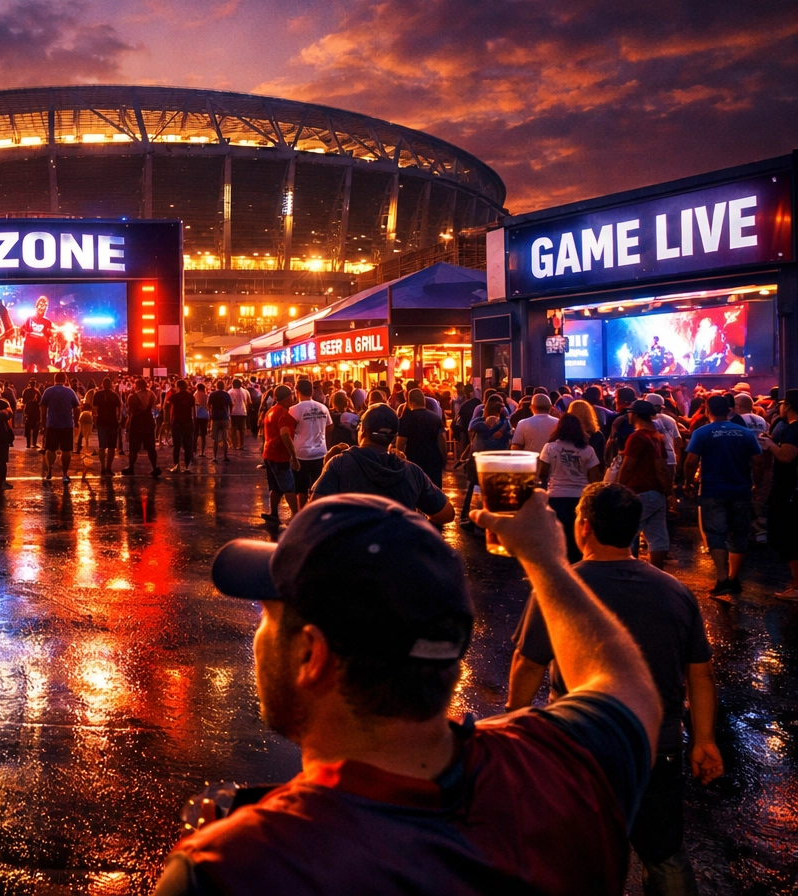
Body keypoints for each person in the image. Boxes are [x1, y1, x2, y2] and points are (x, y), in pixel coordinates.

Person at [157, 490, 661, 895]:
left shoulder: (233, 869)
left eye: (268, 615)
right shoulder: (565, 764)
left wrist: (543, 563)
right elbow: (627, 683)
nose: (260, 635)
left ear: (312, 655)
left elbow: (626, 688)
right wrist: (548, 563)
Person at [507, 482, 721, 895]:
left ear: (583, 527)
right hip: (658, 745)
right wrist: (705, 739)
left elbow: (529, 664)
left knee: (579, 856)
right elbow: (701, 673)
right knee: (664, 854)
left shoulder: (559, 585)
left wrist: (513, 722)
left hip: (580, 747)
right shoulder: (675, 591)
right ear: (635, 529)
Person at [310, 404, 453, 524]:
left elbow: (312, 515)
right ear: (393, 437)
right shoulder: (411, 470)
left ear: (363, 431)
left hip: (353, 553)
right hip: (398, 553)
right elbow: (446, 514)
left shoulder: (340, 463)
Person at [684, 393, 763, 598]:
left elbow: (691, 462)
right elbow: (758, 461)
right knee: (739, 535)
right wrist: (758, 484)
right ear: (729, 410)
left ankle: (721, 578)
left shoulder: (702, 433)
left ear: (707, 411)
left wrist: (688, 482)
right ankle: (734, 577)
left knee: (715, 533)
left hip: (713, 490)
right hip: (741, 490)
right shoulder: (744, 433)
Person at [538, 412, 602, 564]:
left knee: (559, 535)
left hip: (556, 496)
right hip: (580, 497)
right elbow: (595, 477)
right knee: (578, 535)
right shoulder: (588, 450)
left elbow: (542, 472)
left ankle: (561, 566)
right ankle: (578, 566)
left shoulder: (550, 448)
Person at [618, 400, 674, 569]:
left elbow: (628, 467)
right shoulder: (657, 437)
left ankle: (625, 571)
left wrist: (619, 488)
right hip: (657, 494)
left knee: (623, 534)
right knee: (658, 538)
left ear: (634, 415)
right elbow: (662, 468)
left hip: (639, 492)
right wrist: (670, 492)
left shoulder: (637, 437)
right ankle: (657, 574)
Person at [762, 390, 798, 601]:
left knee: (788, 537)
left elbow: (786, 456)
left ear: (790, 407)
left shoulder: (794, 429)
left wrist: (770, 444)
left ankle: (797, 586)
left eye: (783, 404)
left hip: (789, 491)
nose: (780, 407)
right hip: (790, 490)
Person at [282, 379, 329, 514]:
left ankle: (301, 514)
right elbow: (330, 427)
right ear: (312, 391)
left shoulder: (293, 410)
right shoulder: (322, 407)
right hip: (320, 452)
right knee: (318, 486)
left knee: (301, 489)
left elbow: (286, 432)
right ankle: (316, 513)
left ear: (297, 392)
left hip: (301, 453)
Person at [395, 388, 446, 491]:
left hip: (414, 461)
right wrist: (443, 459)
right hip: (433, 460)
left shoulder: (406, 419)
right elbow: (442, 441)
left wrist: (398, 460)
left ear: (409, 401)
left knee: (415, 492)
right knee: (434, 491)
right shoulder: (435, 418)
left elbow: (400, 443)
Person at [260, 385, 296, 523]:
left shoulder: (271, 411)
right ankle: (296, 517)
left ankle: (274, 513)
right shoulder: (284, 414)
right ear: (288, 397)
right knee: (289, 487)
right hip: (280, 455)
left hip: (269, 453)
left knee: (275, 487)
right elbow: (285, 435)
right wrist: (293, 455)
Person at [39, 373, 80, 483]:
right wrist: (76, 422)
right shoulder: (70, 391)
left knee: (50, 449)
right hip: (67, 424)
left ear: (54, 379)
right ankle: (65, 474)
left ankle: (49, 470)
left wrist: (43, 422)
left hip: (52, 424)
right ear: (65, 380)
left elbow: (43, 408)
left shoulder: (48, 391)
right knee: (66, 451)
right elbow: (77, 408)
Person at [123, 377, 162, 478]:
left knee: (133, 448)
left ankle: (131, 467)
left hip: (136, 423)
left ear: (138, 385)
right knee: (151, 448)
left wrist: (127, 424)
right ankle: (154, 467)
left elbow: (130, 412)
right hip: (148, 423)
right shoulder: (151, 395)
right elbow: (154, 406)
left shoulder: (132, 397)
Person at [91, 378, 122, 476]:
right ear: (111, 384)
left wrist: (95, 419)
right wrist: (119, 419)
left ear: (102, 384)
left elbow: (94, 408)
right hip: (112, 423)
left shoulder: (98, 395)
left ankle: (103, 467)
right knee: (111, 447)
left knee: (102, 446)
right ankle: (109, 468)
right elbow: (119, 409)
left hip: (101, 422)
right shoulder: (114, 395)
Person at [168, 379, 197, 473]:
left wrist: (170, 421)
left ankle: (177, 466)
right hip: (188, 422)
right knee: (187, 445)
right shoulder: (190, 396)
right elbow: (194, 411)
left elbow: (171, 409)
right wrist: (193, 421)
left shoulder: (174, 397)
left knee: (177, 445)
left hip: (176, 422)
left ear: (178, 386)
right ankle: (187, 466)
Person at [21, 295, 55, 374]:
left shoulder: (48, 322)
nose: (41, 308)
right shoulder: (29, 319)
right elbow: (23, 331)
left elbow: (48, 336)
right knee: (28, 370)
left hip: (41, 349)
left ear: (46, 309)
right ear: (36, 306)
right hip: (29, 348)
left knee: (43, 371)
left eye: (44, 306)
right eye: (40, 305)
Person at [206, 383, 233, 463]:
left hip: (215, 418)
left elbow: (208, 405)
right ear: (223, 386)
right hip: (224, 417)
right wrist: (229, 414)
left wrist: (210, 413)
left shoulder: (212, 394)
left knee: (215, 439)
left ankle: (215, 457)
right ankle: (225, 456)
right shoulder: (226, 394)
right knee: (225, 439)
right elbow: (231, 405)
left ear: (217, 386)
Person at [227, 378, 249, 452]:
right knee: (241, 429)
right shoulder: (245, 391)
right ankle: (241, 445)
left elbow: (229, 404)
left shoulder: (230, 392)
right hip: (243, 412)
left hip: (233, 413)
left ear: (232, 384)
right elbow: (249, 401)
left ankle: (234, 445)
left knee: (233, 429)